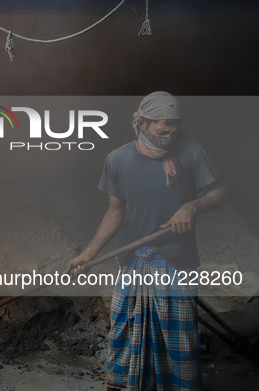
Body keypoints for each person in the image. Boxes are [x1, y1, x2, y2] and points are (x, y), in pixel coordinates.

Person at [63, 91, 229, 391]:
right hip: (134, 261)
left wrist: (192, 206)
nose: (170, 134)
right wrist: (88, 254)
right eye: (163, 129)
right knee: (124, 332)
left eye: (174, 128)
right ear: (142, 122)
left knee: (179, 339)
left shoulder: (191, 153)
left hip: (176, 260)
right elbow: (114, 213)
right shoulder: (118, 160)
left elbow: (220, 192)